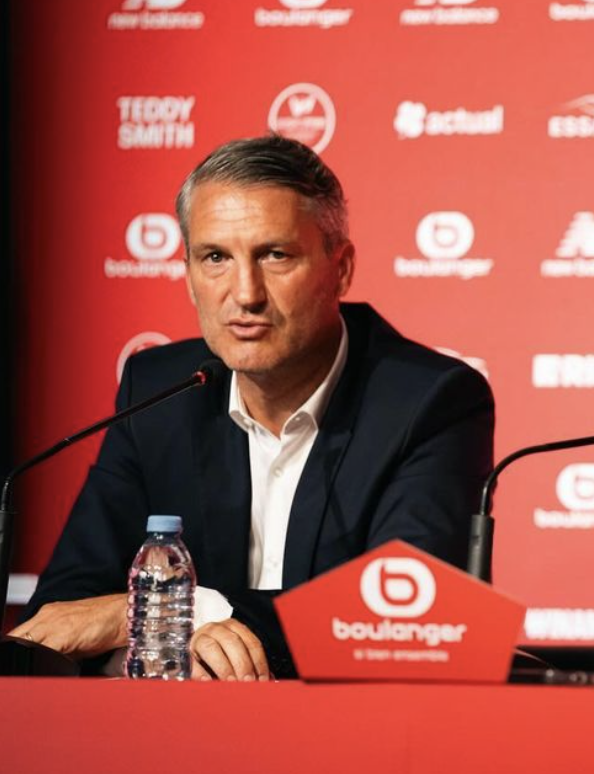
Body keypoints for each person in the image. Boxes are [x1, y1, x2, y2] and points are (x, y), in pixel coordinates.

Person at [11, 135, 494, 680]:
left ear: (341, 268)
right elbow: (64, 615)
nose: (245, 293)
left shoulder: (428, 402)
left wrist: (177, 614)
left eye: (275, 255)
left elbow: (399, 622)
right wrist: (166, 642)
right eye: (215, 257)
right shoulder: (158, 392)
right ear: (190, 274)